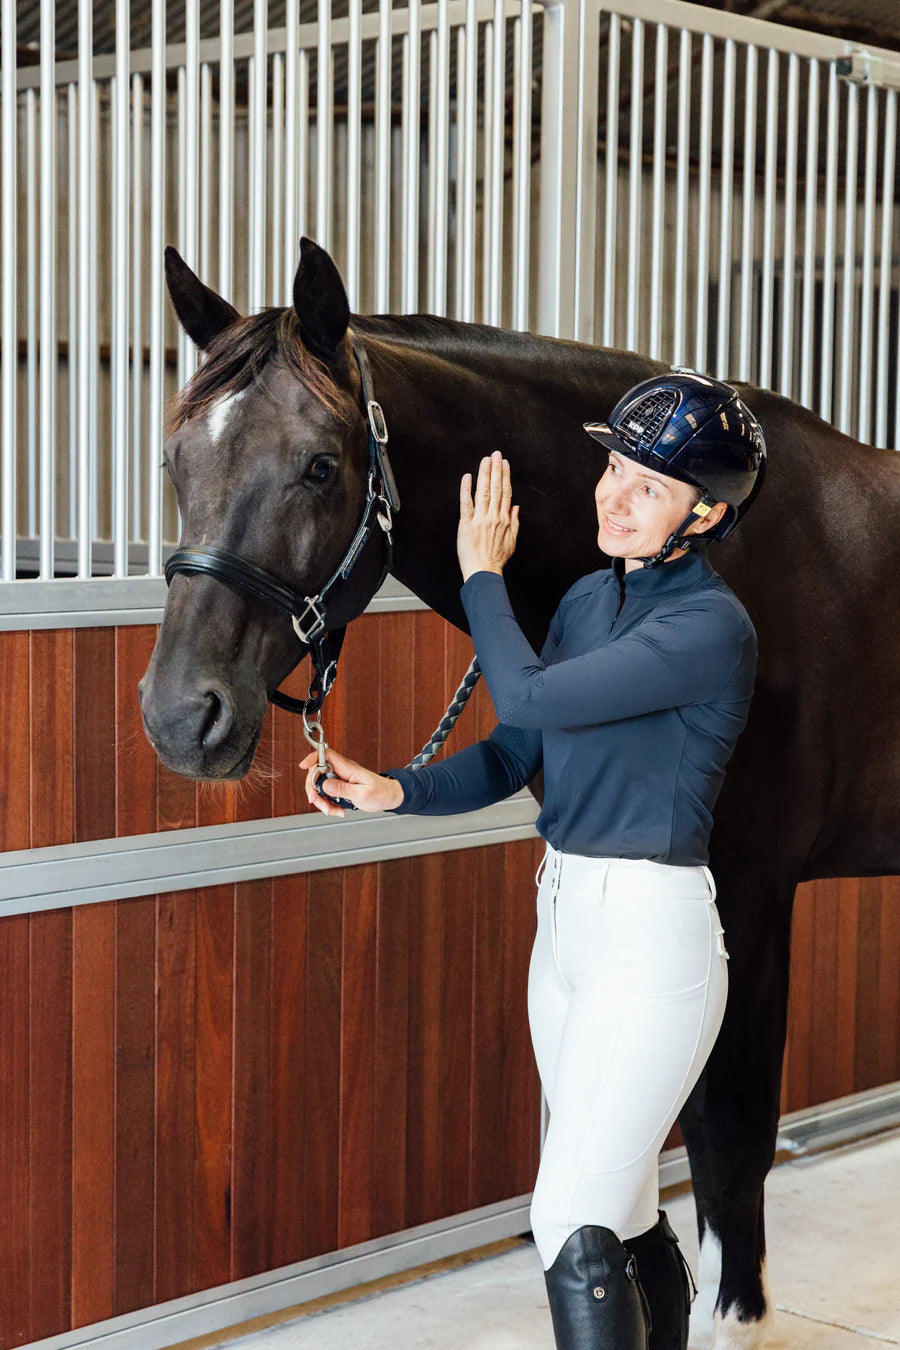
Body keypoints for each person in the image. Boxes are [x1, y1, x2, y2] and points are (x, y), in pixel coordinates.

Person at [300, 370, 766, 1350]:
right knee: (621, 1211)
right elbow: (521, 754)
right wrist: (396, 789)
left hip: (652, 940)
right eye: (614, 467)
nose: (615, 494)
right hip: (565, 932)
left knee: (568, 1219)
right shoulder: (590, 602)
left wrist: (481, 575)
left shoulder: (709, 628)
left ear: (707, 513)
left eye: (651, 486)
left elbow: (536, 702)